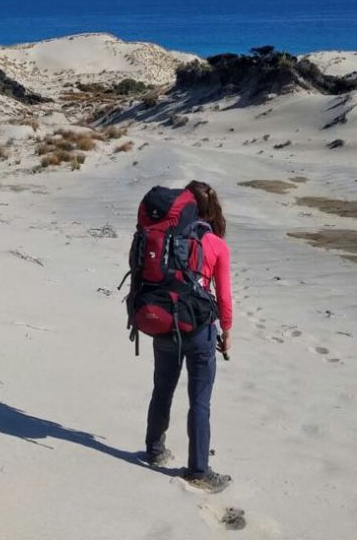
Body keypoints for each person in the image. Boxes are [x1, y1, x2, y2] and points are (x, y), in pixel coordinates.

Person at [142, 180, 233, 492]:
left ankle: (154, 449)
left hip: (163, 318)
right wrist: (228, 332)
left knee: (162, 388)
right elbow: (224, 298)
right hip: (199, 329)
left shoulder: (165, 235)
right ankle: (198, 469)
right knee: (200, 400)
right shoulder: (217, 244)